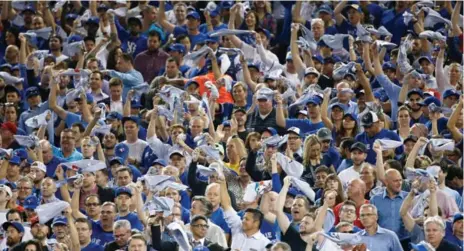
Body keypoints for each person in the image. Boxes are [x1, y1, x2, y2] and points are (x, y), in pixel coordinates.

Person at [218, 176, 270, 250]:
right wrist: (222, 183)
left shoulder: (264, 244)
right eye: (243, 218)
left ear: (256, 223)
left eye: (246, 219)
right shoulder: (237, 226)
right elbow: (226, 205)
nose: (243, 221)